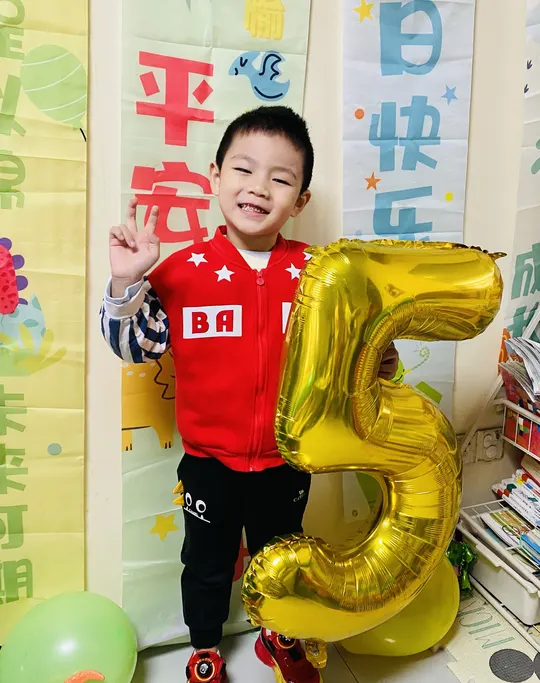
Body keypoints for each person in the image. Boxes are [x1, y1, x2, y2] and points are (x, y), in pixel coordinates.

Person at [100, 106, 399, 683]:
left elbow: (353, 355)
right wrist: (126, 280)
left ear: (301, 200)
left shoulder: (319, 275)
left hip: (289, 459)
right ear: (215, 176)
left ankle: (280, 634)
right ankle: (205, 650)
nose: (258, 188)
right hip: (209, 464)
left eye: (280, 178)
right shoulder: (183, 272)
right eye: (243, 169)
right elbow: (132, 347)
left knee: (282, 558)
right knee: (206, 564)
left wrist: (379, 360)